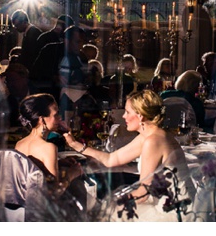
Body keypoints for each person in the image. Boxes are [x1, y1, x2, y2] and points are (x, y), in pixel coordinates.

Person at [64, 89, 195, 220]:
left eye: (127, 112)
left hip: (176, 210)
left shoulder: (153, 141)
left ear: (140, 116)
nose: (123, 116)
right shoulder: (149, 135)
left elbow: (143, 193)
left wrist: (112, 204)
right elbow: (111, 159)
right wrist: (76, 145)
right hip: (164, 202)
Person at [13, 94, 85, 207]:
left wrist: (58, 162)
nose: (60, 118)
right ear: (42, 119)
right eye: (55, 115)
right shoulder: (48, 147)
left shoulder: (19, 144)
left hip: (25, 210)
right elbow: (54, 194)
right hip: (43, 213)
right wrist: (72, 174)